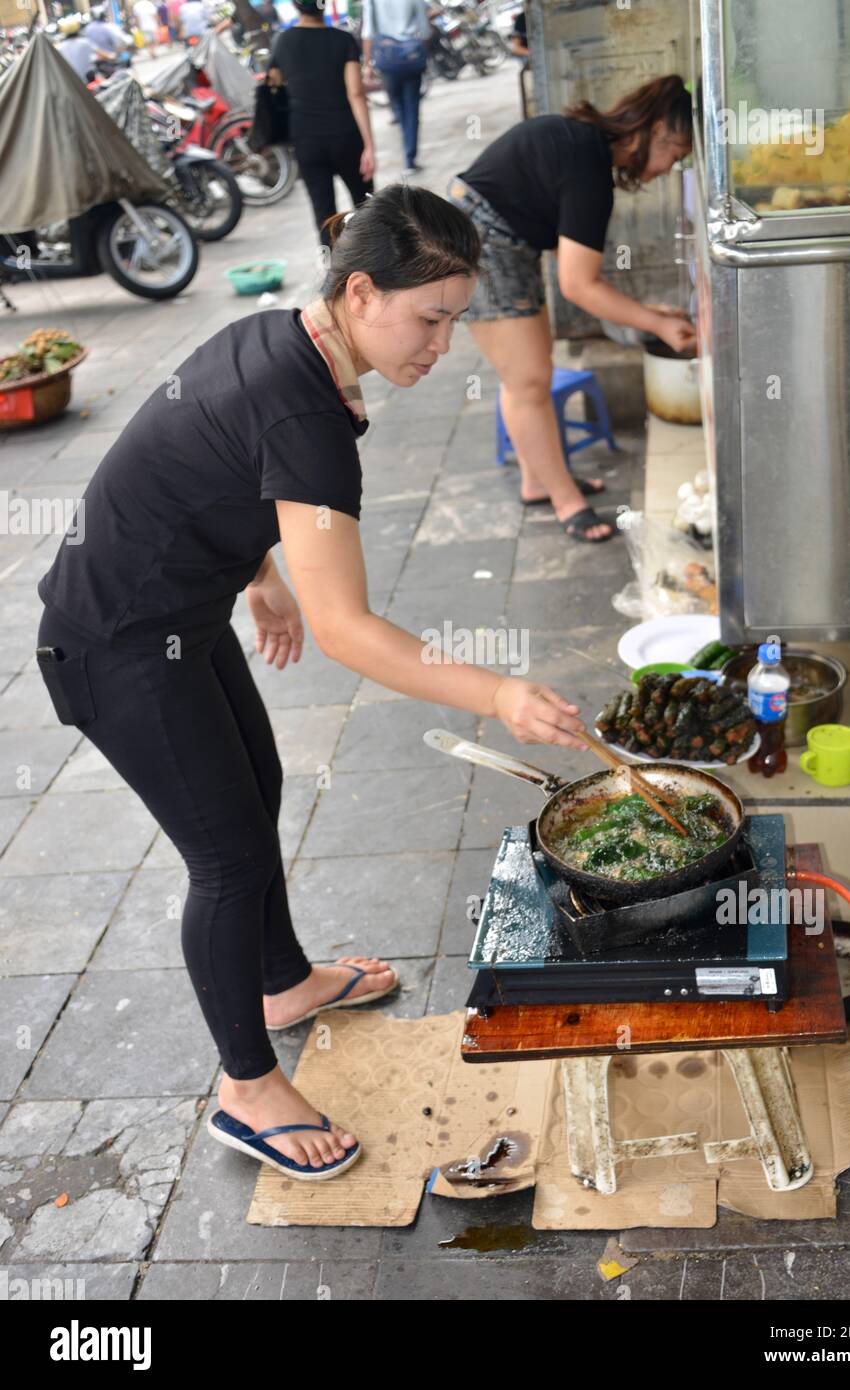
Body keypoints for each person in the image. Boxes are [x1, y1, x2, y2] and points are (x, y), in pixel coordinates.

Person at [34, 185, 592, 1183]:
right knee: (228, 859)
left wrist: (261, 573)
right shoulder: (306, 412)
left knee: (260, 793)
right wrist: (499, 695)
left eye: (456, 320)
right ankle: (246, 1089)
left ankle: (283, 982)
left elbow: (192, 460)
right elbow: (351, 632)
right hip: (114, 645)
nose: (442, 344)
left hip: (176, 618)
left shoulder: (286, 338)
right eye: (430, 319)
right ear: (364, 291)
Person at [447, 75, 697, 544]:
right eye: (676, 153)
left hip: (495, 238)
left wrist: (646, 315)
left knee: (528, 376)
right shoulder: (589, 167)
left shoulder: (584, 147)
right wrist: (658, 323)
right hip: (480, 243)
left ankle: (538, 480)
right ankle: (566, 501)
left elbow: (579, 276)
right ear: (656, 128)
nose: (669, 169)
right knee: (529, 382)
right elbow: (580, 285)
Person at [269, 0, 373, 249]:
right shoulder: (343, 40)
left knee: (324, 213)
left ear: (296, 6)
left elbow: (273, 84)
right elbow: (356, 93)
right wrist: (369, 146)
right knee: (367, 208)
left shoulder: (283, 41)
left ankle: (335, 275)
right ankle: (375, 269)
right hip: (346, 136)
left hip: (306, 138)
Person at [360, 0, 429, 178]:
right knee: (412, 107)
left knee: (397, 103)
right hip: (411, 57)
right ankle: (410, 158)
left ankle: (406, 142)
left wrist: (367, 65)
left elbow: (367, 32)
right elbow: (425, 30)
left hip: (387, 58)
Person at [56, 13, 111, 78]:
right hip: (88, 79)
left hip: (70, 81)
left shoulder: (60, 47)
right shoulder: (85, 42)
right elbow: (105, 56)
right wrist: (113, 56)